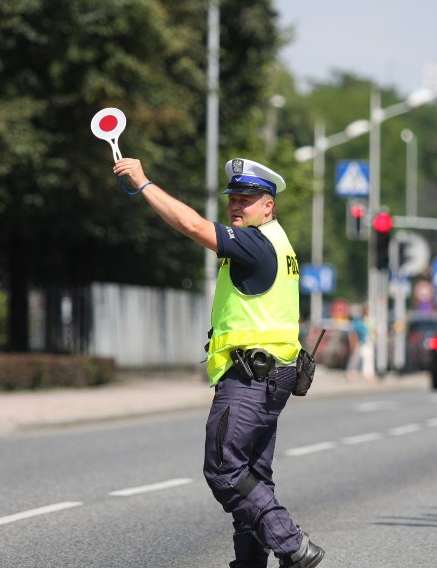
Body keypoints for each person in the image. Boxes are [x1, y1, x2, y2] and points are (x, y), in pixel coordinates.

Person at [113, 156, 324, 568]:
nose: (236, 206)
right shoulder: (279, 244)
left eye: (247, 199)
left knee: (225, 469)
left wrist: (143, 184)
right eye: (233, 198)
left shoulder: (255, 243)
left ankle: (293, 544)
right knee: (252, 477)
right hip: (274, 375)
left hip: (250, 377)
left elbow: (192, 226)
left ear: (269, 205)